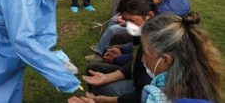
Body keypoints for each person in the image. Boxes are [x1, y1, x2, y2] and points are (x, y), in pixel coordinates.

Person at [68, 13, 222, 103]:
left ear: (166, 59)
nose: (141, 60)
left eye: (146, 54)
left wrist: (101, 100)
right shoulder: (194, 82)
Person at [141, 12, 222, 102]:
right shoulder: (202, 80)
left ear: (165, 60)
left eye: (145, 52)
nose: (142, 59)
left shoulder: (157, 98)